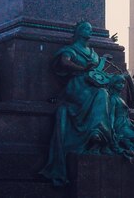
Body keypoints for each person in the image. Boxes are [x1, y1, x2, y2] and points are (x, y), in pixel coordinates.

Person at [39, 21, 118, 185]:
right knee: (99, 94)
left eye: (90, 28)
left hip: (93, 86)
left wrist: (102, 61)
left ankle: (97, 134)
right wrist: (81, 68)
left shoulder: (93, 53)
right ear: (78, 31)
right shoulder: (72, 49)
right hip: (77, 85)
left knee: (103, 93)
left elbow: (97, 71)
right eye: (86, 28)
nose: (89, 30)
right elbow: (64, 61)